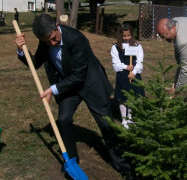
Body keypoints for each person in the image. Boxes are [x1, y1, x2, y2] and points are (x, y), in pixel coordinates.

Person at [14, 14, 133, 179]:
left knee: (107, 125)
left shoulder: (77, 39)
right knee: (63, 119)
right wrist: (21, 50)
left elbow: (79, 75)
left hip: (90, 83)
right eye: (48, 41)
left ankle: (124, 167)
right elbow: (35, 63)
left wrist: (53, 89)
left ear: (56, 26)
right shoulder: (46, 39)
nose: (52, 43)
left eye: (54, 39)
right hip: (68, 85)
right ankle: (71, 161)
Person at [111, 24, 145, 129]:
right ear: (120, 36)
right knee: (123, 98)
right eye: (124, 36)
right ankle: (124, 120)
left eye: (128, 35)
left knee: (132, 97)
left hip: (134, 74)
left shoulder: (137, 46)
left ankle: (130, 118)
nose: (126, 38)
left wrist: (134, 72)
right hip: (122, 74)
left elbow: (140, 61)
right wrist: (126, 67)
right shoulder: (115, 47)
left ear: (132, 35)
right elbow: (115, 63)